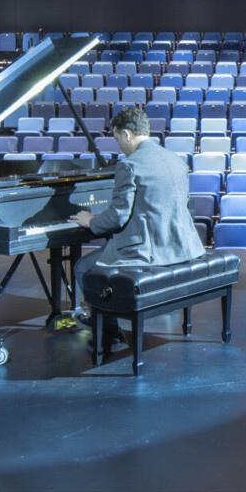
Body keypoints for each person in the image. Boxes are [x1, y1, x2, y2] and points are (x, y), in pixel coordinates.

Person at [57, 105, 206, 337]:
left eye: (117, 139)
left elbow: (118, 216)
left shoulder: (130, 165)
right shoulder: (176, 160)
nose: (118, 145)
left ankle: (106, 328)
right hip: (182, 246)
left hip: (149, 252)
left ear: (127, 134)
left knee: (83, 267)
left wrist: (91, 220)